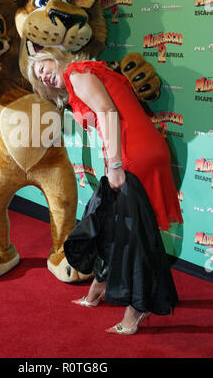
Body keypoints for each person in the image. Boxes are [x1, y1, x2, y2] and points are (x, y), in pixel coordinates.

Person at [27, 48, 183, 335]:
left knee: (134, 234)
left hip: (132, 153)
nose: (45, 75)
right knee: (109, 221)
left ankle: (136, 310)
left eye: (44, 66)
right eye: (39, 77)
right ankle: (99, 285)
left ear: (56, 57)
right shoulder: (89, 72)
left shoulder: (77, 72)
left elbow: (109, 112)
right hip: (142, 147)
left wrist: (114, 164)